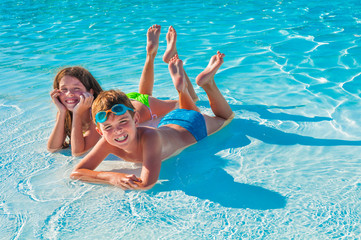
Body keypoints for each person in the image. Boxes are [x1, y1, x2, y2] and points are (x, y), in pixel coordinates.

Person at [70, 51, 234, 190]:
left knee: (225, 119)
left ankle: (208, 84)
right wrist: (111, 177)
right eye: (108, 127)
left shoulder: (150, 138)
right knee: (188, 110)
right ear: (100, 131)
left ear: (136, 120)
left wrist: (109, 178)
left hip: (193, 127)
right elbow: (76, 173)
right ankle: (183, 90)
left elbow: (147, 183)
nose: (117, 130)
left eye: (122, 122)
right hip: (171, 119)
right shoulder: (107, 142)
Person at [47, 25, 198, 156]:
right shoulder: (69, 111)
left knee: (190, 101)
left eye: (76, 89)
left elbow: (78, 152)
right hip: (127, 100)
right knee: (144, 94)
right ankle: (150, 54)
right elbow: (53, 148)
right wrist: (62, 112)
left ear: (91, 92)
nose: (69, 94)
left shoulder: (98, 112)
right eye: (64, 89)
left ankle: (173, 58)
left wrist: (79, 113)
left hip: (144, 106)